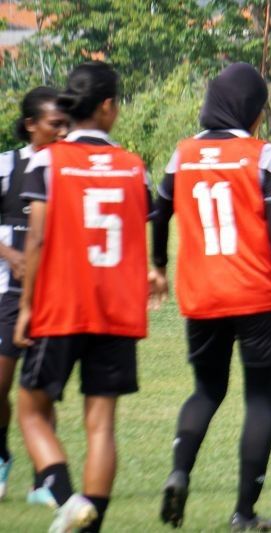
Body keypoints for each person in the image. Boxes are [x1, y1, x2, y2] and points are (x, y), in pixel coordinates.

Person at [150, 63, 271, 531]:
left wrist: (158, 267)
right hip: (259, 296)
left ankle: (180, 472)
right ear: (253, 110)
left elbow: (159, 214)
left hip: (202, 297)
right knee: (259, 400)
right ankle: (244, 513)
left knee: (205, 391)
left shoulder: (181, 154)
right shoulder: (265, 155)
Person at [13, 61, 159, 532]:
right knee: (101, 425)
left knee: (31, 410)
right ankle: (89, 524)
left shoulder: (46, 159)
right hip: (116, 309)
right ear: (109, 107)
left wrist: (28, 307)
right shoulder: (134, 168)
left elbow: (35, 240)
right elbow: (140, 231)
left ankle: (65, 498)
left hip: (61, 307)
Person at [0, 86, 68, 507]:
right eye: (54, 124)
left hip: (52, 295)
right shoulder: (9, 166)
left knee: (40, 390)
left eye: (67, 124)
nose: (63, 132)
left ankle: (44, 481)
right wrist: (11, 253)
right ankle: (3, 454)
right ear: (31, 125)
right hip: (9, 293)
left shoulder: (67, 168)